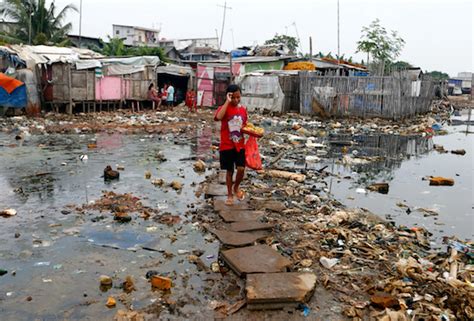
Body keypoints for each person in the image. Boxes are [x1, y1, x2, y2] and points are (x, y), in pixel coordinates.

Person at [214, 84, 247, 206]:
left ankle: (236, 187)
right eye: (233, 97)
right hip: (227, 144)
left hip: (240, 144)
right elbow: (218, 117)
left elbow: (244, 125)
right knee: (229, 171)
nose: (236, 100)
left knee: (241, 168)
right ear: (229, 96)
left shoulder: (243, 109)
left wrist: (251, 131)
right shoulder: (224, 108)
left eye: (238, 97)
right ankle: (229, 194)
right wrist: (227, 102)